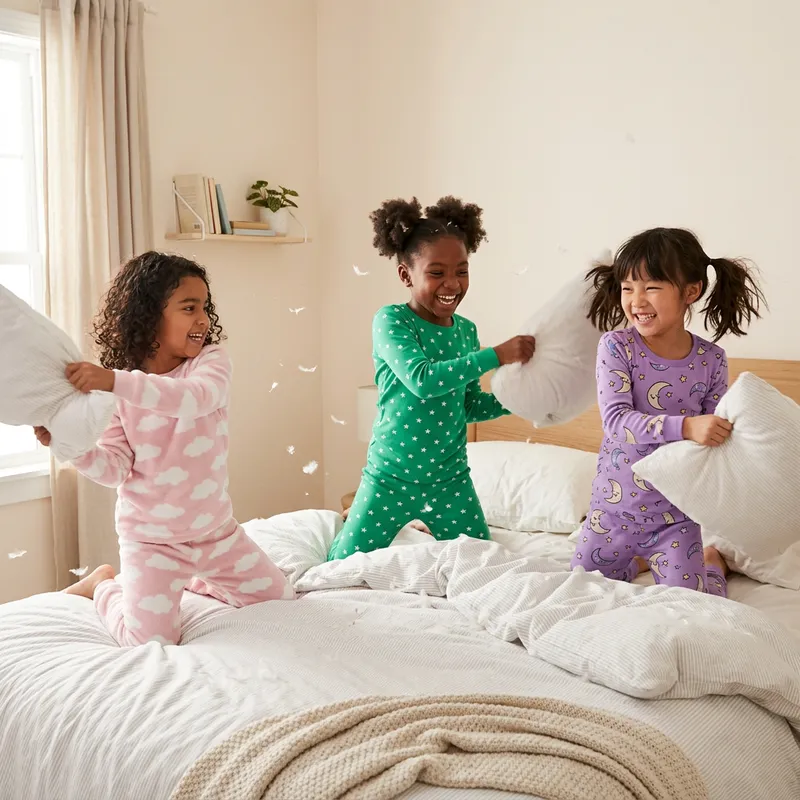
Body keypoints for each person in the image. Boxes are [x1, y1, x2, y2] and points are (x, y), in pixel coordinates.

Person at [35, 252, 292, 645]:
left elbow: (195, 398)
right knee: (148, 643)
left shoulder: (209, 364)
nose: (203, 320)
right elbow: (115, 469)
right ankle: (103, 585)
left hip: (216, 533)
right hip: (151, 541)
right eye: (189, 308)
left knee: (282, 601)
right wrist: (69, 446)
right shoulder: (116, 391)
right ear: (150, 315)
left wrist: (114, 381)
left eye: (205, 307)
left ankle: (197, 580)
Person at [327, 196, 535, 560]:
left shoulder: (466, 331)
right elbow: (422, 380)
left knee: (486, 566)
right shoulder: (392, 321)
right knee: (339, 566)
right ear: (406, 275)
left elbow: (468, 405)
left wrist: (519, 398)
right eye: (436, 272)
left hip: (450, 482)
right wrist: (497, 356)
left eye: (462, 271)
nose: (452, 283)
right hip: (389, 478)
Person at [572, 227, 765, 596]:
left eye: (652, 287)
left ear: (690, 291)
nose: (637, 301)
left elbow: (712, 442)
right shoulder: (617, 346)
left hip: (675, 522)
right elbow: (616, 422)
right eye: (628, 288)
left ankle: (714, 561)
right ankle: (638, 561)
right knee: (579, 593)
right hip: (610, 516)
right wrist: (687, 426)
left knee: (699, 605)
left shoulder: (712, 359)